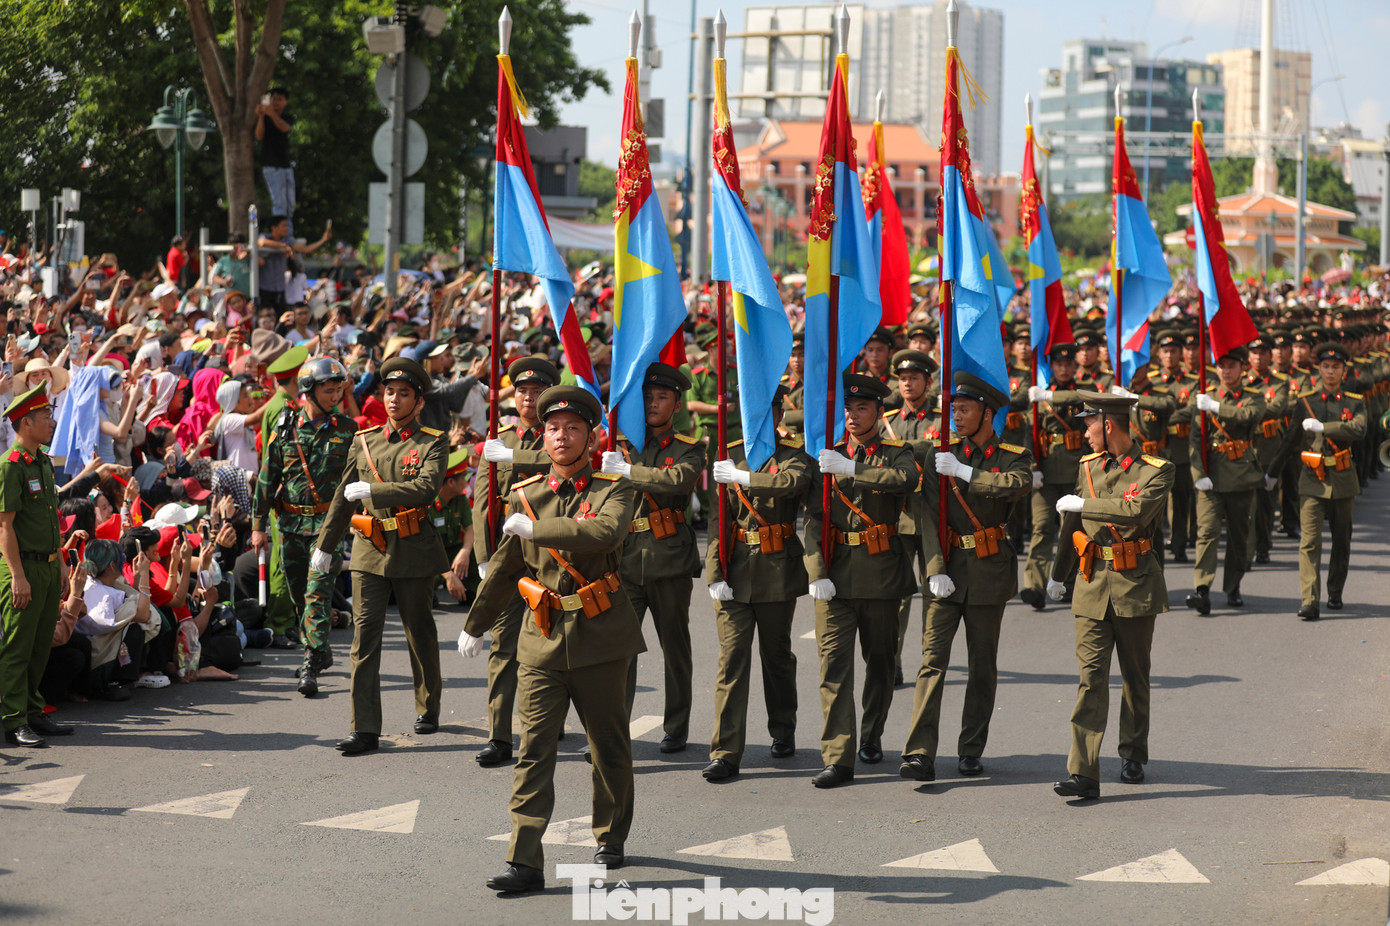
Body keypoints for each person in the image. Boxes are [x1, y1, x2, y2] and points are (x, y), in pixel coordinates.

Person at [459, 385, 642, 894]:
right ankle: (525, 861)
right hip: (540, 639)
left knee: (608, 747)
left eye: (573, 428)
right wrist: (475, 623)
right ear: (543, 436)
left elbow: (606, 534)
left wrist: (540, 531)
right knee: (533, 748)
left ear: (591, 436)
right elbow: (505, 567)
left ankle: (610, 834)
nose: (562, 437)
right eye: (554, 429)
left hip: (602, 635)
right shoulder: (527, 493)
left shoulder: (615, 487)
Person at [312, 356, 450, 755]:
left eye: (404, 393)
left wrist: (375, 492)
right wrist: (326, 543)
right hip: (369, 548)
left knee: (418, 631)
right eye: (389, 392)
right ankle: (365, 727)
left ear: (418, 401)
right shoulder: (364, 439)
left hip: (414, 548)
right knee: (364, 636)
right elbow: (342, 496)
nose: (394, 399)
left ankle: (428, 704)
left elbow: (426, 488)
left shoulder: (431, 441)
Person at [901, 372, 1030, 783]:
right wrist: (934, 568)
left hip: (989, 571)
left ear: (987, 414)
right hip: (946, 571)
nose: (956, 416)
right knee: (931, 663)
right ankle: (919, 752)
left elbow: (1016, 484)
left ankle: (971, 747)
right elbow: (927, 517)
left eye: (965, 409)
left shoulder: (1009, 455)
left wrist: (967, 472)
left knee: (982, 666)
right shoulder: (939, 453)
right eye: (953, 409)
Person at [1047, 391, 1173, 801]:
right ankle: (1083, 771)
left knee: (1135, 676)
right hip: (1091, 582)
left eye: (1088, 424)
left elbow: (1134, 511)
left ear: (1108, 424)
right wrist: (1059, 573)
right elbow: (1074, 524)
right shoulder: (1086, 466)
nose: (1083, 432)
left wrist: (1085, 502)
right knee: (1090, 678)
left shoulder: (1157, 470)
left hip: (1135, 582)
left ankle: (1133, 751)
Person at [803, 373, 917, 788]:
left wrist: (853, 468)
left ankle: (871, 734)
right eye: (848, 409)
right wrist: (816, 572)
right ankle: (838, 756)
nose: (853, 416)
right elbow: (814, 518)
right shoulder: (826, 454)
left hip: (882, 573)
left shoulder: (895, 452)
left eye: (862, 408)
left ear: (877, 412)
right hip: (835, 575)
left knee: (881, 665)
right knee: (833, 667)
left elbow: (907, 480)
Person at [701, 385, 813, 781]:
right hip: (734, 569)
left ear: (781, 413)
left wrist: (743, 476)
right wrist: (715, 572)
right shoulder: (728, 455)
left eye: (769, 410)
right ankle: (726, 751)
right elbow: (718, 520)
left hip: (776, 568)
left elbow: (790, 485)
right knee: (731, 660)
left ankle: (783, 730)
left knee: (777, 656)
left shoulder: (794, 456)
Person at [602, 362, 704, 754]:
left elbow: (678, 480)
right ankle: (612, 730)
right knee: (619, 649)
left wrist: (628, 471)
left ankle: (676, 726)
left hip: (669, 560)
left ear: (676, 404)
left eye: (662, 397)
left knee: (674, 648)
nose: (653, 403)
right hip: (625, 558)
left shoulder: (688, 448)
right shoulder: (622, 445)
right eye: (647, 396)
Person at [471, 355, 559, 767]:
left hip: (551, 558)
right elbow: (482, 503)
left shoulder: (560, 435)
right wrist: (485, 558)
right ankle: (499, 736)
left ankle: (548, 723)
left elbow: (563, 467)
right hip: (509, 558)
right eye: (521, 390)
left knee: (553, 645)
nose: (528, 397)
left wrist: (512, 459)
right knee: (503, 646)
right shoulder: (500, 437)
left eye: (537, 391)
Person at [251, 357, 355, 696]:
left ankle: (310, 660)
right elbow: (268, 480)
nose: (336, 395)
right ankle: (320, 649)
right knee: (300, 593)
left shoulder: (346, 429)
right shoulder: (286, 430)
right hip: (292, 525)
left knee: (317, 591)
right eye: (329, 389)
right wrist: (257, 526)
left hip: (329, 525)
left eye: (339, 388)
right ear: (309, 391)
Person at [1264, 342, 1366, 620]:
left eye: (1336, 367)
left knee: (1341, 539)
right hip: (1311, 479)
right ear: (1318, 369)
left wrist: (1325, 427)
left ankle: (1335, 591)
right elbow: (1290, 440)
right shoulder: (1306, 401)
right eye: (1325, 366)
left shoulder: (1355, 401)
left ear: (1344, 371)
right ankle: (1310, 599)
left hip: (1343, 479)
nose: (1330, 371)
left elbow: (1359, 429)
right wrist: (1273, 471)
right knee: (1309, 541)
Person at [0, 384, 70, 747]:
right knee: (17, 647)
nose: (51, 422)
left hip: (45, 565)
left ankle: (31, 711)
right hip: (22, 568)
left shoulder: (42, 461)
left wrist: (60, 562)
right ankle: (13, 721)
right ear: (25, 423)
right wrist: (17, 576)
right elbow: (5, 525)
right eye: (45, 417)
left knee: (40, 645)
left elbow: (50, 517)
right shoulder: (10, 466)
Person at [1186, 346, 1266, 613]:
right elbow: (1195, 440)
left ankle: (1233, 586)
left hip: (1241, 474)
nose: (1226, 371)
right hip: (1211, 475)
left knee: (1238, 535)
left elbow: (1250, 416)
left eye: (1232, 366)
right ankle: (1202, 589)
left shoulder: (1252, 397)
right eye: (1221, 366)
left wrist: (1217, 407)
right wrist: (1198, 474)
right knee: (1206, 532)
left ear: (1242, 369)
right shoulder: (1204, 399)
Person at [880, 349, 940, 686]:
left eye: (914, 378)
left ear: (927, 382)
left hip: (932, 515)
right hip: (899, 517)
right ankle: (893, 662)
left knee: (934, 594)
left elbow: (946, 448)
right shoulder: (889, 418)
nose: (907, 383)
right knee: (898, 597)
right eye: (902, 378)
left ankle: (930, 663)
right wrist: (916, 447)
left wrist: (903, 448)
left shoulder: (941, 419)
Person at [1017, 342, 1089, 608]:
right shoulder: (1038, 396)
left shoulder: (1083, 390)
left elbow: (1080, 398)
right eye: (1058, 364)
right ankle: (1033, 585)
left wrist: (1049, 397)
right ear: (1051, 366)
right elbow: (1029, 434)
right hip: (1045, 473)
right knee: (1042, 528)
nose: (1064, 368)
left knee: (1072, 532)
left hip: (1075, 474)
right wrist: (1032, 467)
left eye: (1068, 364)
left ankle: (1066, 582)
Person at [256, 86, 296, 237]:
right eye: (274, 99)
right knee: (279, 203)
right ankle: (281, 236)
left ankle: (288, 232)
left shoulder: (287, 117)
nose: (276, 102)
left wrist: (272, 114)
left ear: (286, 101)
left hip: (285, 165)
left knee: (290, 205)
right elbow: (259, 135)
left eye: (280, 99)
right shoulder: (265, 118)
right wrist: (261, 116)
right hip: (271, 166)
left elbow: (284, 127)